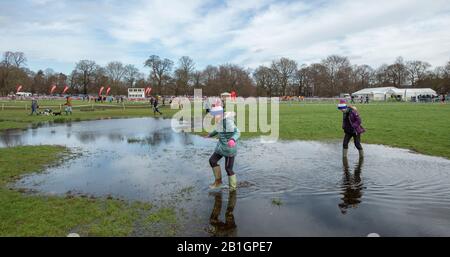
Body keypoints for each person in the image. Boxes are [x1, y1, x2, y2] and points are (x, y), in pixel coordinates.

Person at [205, 105, 240, 191]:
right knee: (212, 161)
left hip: (229, 149)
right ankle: (218, 182)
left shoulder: (227, 121)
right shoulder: (221, 120)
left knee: (228, 169)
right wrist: (210, 135)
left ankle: (233, 188)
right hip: (221, 147)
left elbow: (237, 132)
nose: (213, 116)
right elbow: (218, 129)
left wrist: (233, 139)